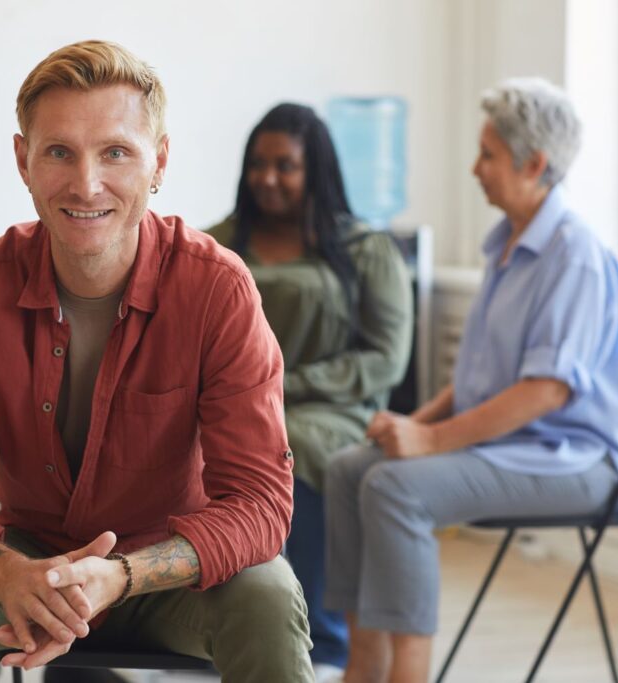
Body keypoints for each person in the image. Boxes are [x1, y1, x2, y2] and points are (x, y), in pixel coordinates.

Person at [0, 41, 314, 682]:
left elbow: (261, 501)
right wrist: (9, 571)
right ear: (24, 161)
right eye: (59, 152)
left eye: (116, 152)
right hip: (28, 561)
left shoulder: (218, 290)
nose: (86, 183)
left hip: (169, 569)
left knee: (268, 595)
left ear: (160, 161)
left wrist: (120, 576)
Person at [323, 78, 618, 683]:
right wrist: (413, 425)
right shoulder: (506, 246)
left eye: (488, 155)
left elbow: (546, 391)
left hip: (577, 461)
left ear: (535, 164)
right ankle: (363, 664)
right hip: (517, 448)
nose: (475, 168)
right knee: (350, 468)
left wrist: (430, 443)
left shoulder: (572, 253)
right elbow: (482, 381)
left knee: (398, 488)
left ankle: (409, 674)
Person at [207, 103, 413, 681]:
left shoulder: (364, 250)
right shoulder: (215, 245)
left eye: (286, 165)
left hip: (333, 411)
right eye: (258, 164)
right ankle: (216, 624)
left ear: (316, 169)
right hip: (231, 406)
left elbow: (385, 357)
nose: (268, 177)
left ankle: (322, 636)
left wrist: (279, 387)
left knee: (289, 447)